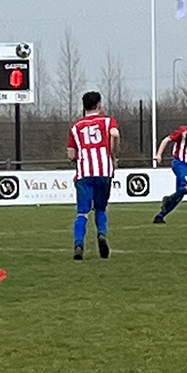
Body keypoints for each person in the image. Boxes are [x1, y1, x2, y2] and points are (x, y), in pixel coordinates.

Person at [67, 90, 119, 260]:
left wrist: (77, 159)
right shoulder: (108, 121)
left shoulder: (75, 127)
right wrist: (113, 155)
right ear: (98, 105)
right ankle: (101, 234)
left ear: (84, 106)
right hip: (104, 171)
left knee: (82, 213)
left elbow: (71, 154)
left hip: (84, 173)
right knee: (100, 208)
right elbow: (114, 134)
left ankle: (78, 244)